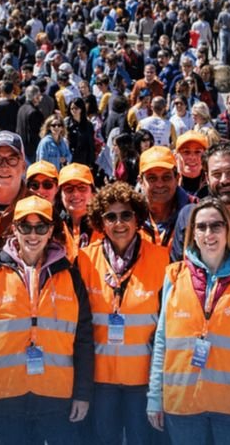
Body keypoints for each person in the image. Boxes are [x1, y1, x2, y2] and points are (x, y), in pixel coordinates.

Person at [0, 196, 93, 445]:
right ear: (14, 229)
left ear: (51, 230)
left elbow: (83, 339)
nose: (33, 234)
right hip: (4, 397)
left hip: (56, 396)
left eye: (40, 227)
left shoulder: (70, 276)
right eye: (24, 226)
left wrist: (83, 394)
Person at [147, 197, 230, 441]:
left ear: (228, 231)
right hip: (182, 404)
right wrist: (154, 397)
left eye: (216, 226)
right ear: (192, 233)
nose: (208, 233)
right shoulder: (175, 275)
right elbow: (162, 341)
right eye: (201, 227)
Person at [77, 181, 169, 445]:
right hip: (100, 379)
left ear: (138, 218)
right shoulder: (84, 260)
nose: (119, 223)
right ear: (100, 222)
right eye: (111, 216)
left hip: (142, 381)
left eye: (126, 215)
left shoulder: (162, 260)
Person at [139, 146, 195, 251]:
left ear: (177, 178)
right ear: (140, 181)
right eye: (152, 178)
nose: (159, 184)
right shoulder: (128, 215)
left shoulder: (195, 211)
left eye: (166, 177)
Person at [175, 131, 209, 197]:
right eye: (186, 152)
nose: (192, 157)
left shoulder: (213, 185)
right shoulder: (168, 186)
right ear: (176, 156)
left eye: (197, 152)